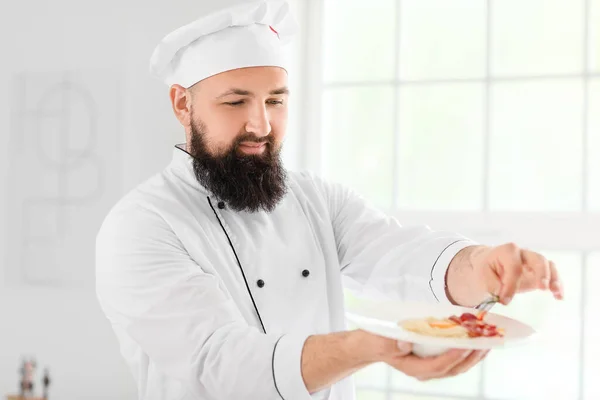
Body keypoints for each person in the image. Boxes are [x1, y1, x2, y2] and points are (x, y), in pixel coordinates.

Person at [95, 1, 564, 399]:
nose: (260, 125)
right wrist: (367, 346)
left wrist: (481, 265)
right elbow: (220, 363)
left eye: (276, 101)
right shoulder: (142, 225)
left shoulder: (316, 199)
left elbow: (402, 255)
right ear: (182, 104)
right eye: (236, 103)